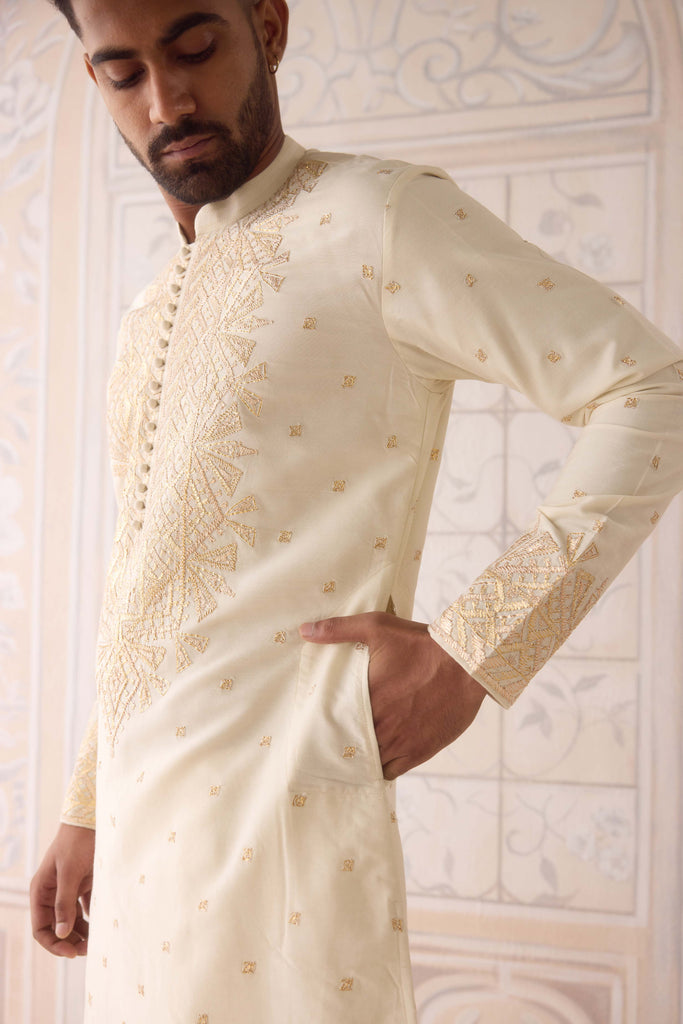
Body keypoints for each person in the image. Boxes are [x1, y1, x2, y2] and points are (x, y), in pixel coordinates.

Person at [29, 0, 683, 1021]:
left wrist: (476, 648)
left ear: (268, 26)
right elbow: (147, 572)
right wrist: (88, 802)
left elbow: (648, 387)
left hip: (283, 822)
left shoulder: (378, 217)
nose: (166, 100)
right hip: (136, 848)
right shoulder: (148, 311)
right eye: (123, 74)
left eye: (195, 48)